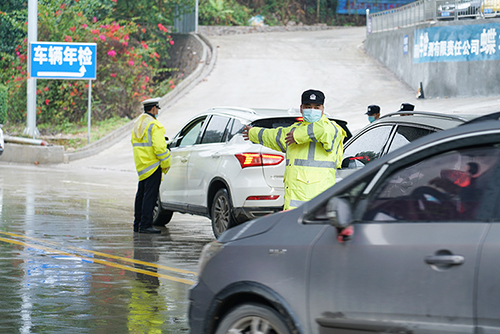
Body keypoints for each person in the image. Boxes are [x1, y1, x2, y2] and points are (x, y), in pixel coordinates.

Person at [242, 89, 346, 210]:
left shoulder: (332, 128)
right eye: (308, 106)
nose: (312, 110)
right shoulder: (294, 129)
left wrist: (298, 136)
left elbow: (323, 131)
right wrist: (253, 132)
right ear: (301, 108)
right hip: (294, 204)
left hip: (318, 203)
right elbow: (275, 136)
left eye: (317, 107)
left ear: (323, 109)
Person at [131, 97, 171, 234]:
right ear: (154, 109)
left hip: (142, 166)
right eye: (157, 109)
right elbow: (160, 149)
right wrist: (166, 162)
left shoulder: (138, 123)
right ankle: (146, 225)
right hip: (153, 166)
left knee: (141, 195)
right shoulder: (155, 125)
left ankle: (138, 223)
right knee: (150, 196)